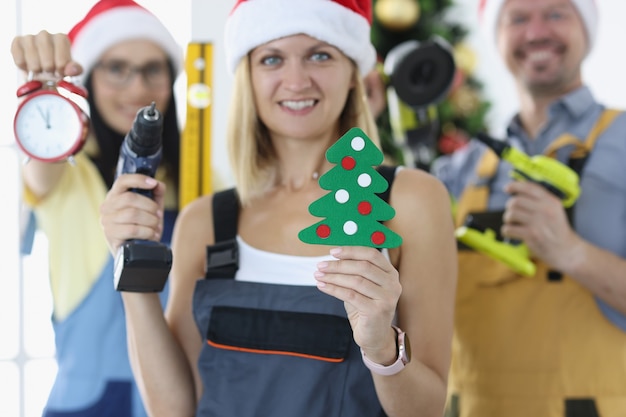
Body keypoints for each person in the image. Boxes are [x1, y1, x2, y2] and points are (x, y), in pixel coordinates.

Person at [99, 0, 458, 416]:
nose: (296, 80)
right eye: (271, 59)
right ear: (248, 77)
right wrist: (131, 265)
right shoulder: (207, 221)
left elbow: (425, 410)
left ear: (353, 75)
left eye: (320, 55)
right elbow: (174, 409)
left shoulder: (408, 201)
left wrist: (380, 346)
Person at [433, 0, 626, 416]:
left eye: (556, 13)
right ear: (496, 36)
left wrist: (572, 253)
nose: (537, 32)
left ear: (586, 30)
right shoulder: (459, 168)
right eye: (518, 18)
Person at [11, 0, 183, 415]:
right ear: (88, 78)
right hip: (82, 401)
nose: (137, 88)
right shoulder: (65, 169)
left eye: (152, 69)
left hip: (173, 392)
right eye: (116, 68)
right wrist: (45, 87)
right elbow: (40, 166)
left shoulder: (196, 178)